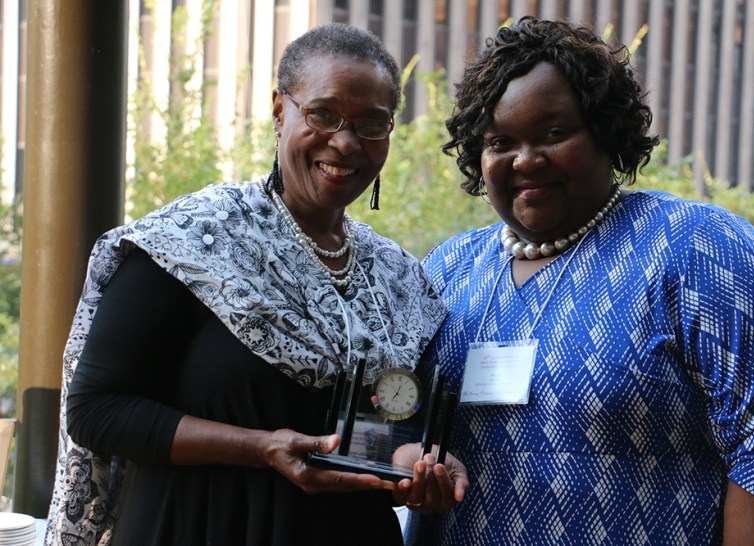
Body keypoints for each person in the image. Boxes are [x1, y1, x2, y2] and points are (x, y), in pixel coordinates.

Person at [45, 23, 467, 546]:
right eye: (323, 114)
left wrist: (409, 461)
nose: (345, 140)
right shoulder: (194, 242)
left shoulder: (397, 277)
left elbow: (381, 420)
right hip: (199, 525)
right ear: (278, 110)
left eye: (371, 124)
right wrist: (260, 446)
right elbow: (97, 411)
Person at [405, 16, 754, 545]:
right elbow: (396, 418)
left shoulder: (699, 248)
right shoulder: (446, 270)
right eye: (500, 141)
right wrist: (408, 453)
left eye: (556, 133)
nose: (527, 160)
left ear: (606, 132)